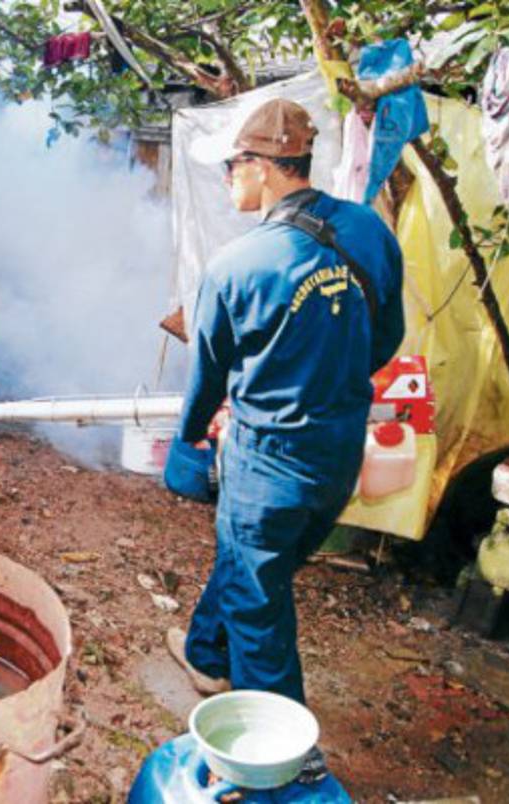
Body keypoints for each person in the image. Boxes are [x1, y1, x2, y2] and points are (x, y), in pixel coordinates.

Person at [164, 98, 405, 704]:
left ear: (263, 165)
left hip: (269, 462)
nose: (226, 178)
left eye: (231, 166)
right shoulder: (369, 231)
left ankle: (279, 747)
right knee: (255, 564)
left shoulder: (236, 266)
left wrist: (191, 435)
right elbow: (387, 337)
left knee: (259, 604)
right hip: (339, 453)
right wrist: (326, 382)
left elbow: (208, 380)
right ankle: (205, 655)